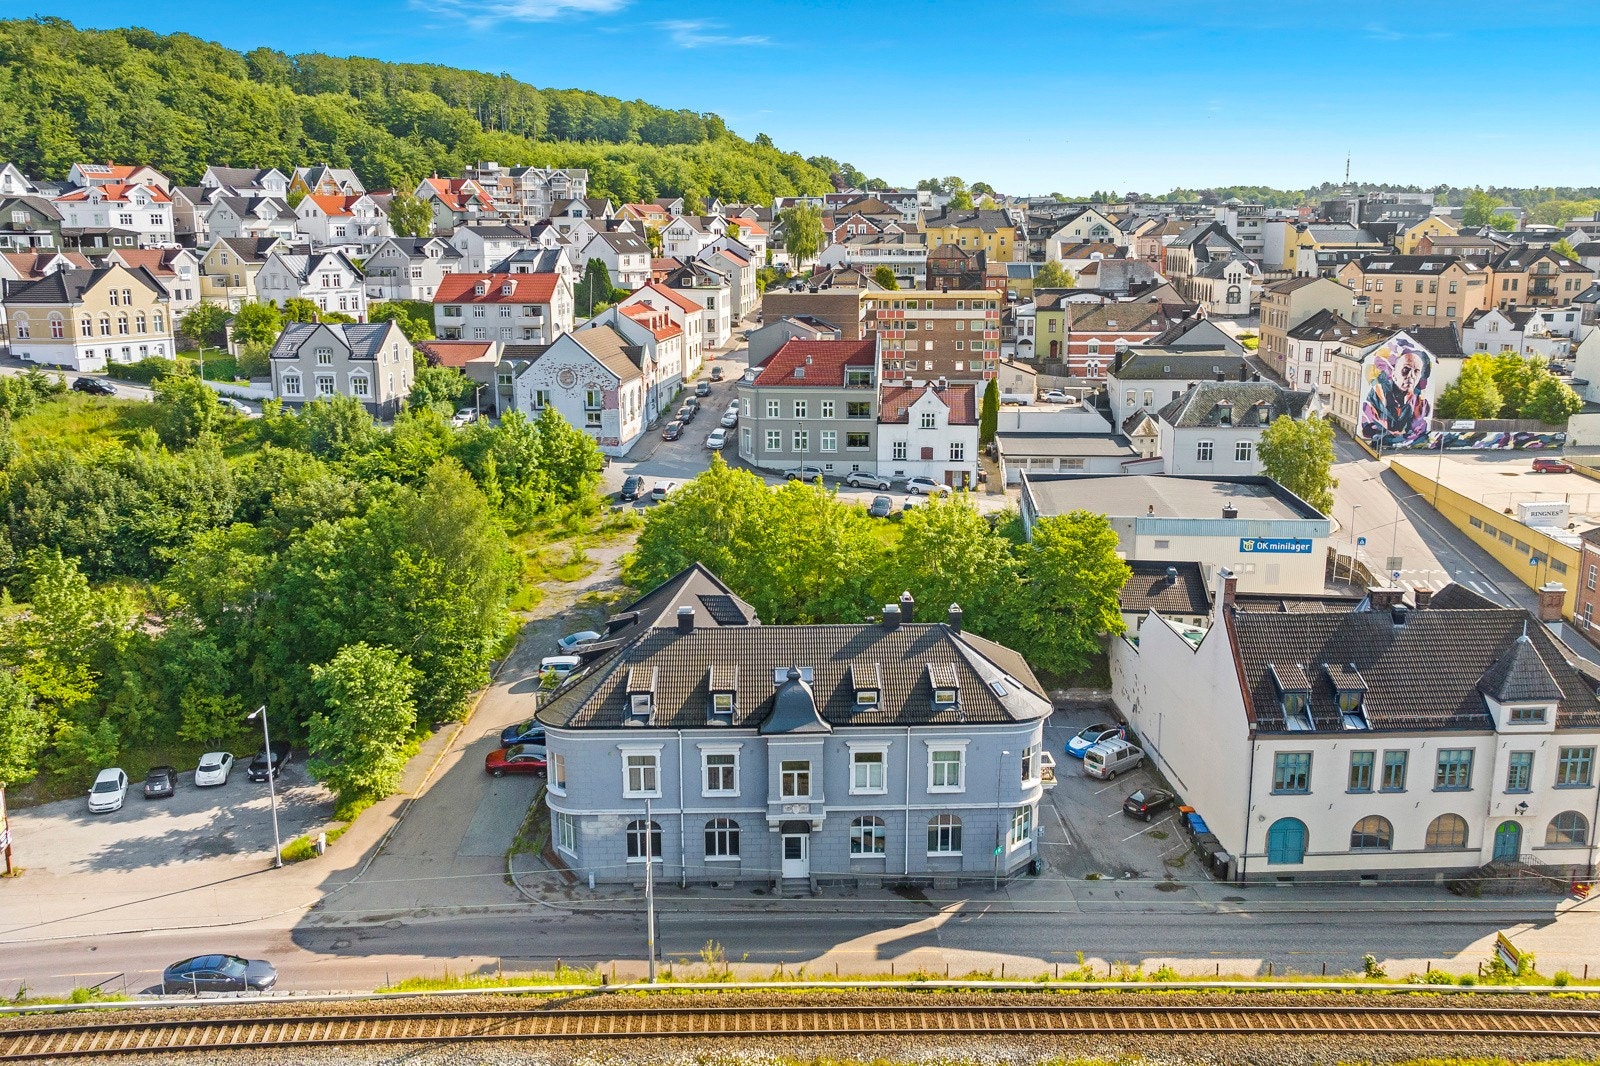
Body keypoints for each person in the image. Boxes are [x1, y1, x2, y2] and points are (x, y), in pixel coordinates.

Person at [1360, 340, 1431, 447]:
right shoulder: (1377, 394)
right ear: (1393, 374)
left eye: (1416, 371)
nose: (1411, 376)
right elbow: (1369, 428)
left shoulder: (1420, 401)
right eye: (1406, 369)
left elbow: (1420, 430)